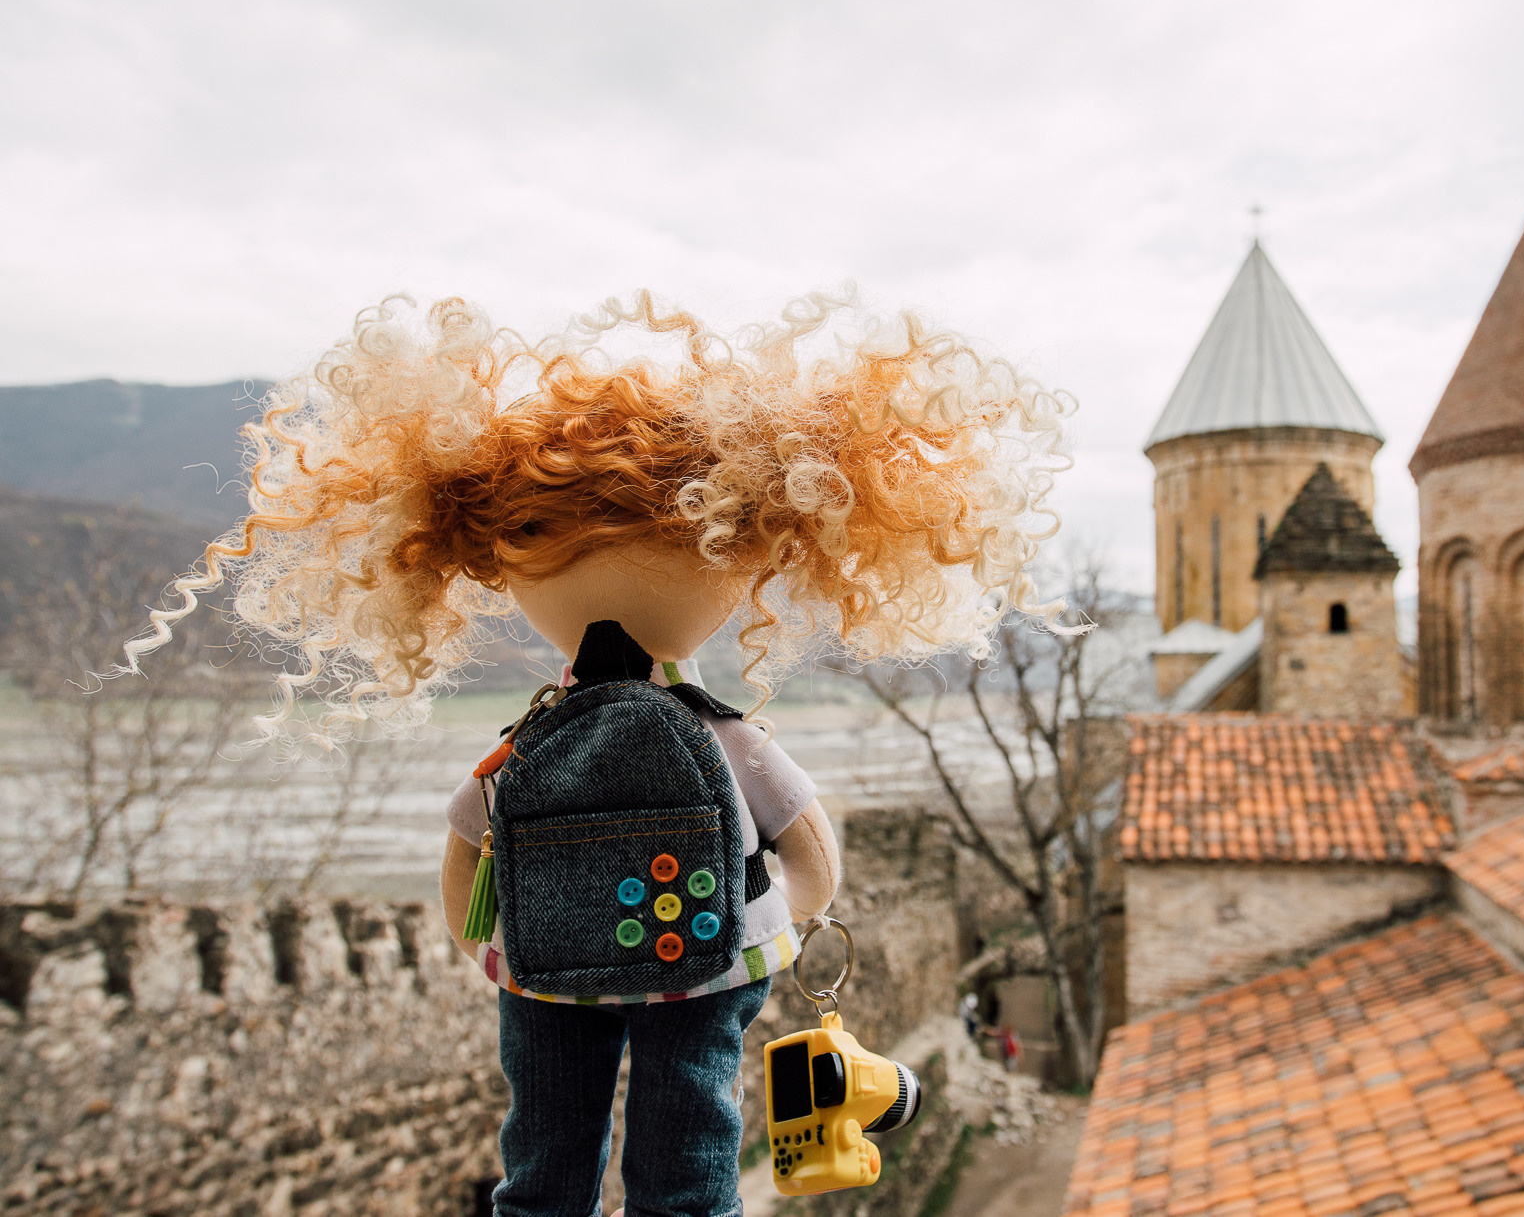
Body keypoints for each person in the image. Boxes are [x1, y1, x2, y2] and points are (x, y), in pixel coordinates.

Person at [125, 290, 1072, 1217]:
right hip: (708, 962)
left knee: (544, 1133)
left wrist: (478, 938)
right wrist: (788, 916)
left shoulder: (527, 741)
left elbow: (467, 850)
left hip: (542, 966)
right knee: (690, 1121)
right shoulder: (724, 734)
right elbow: (806, 846)